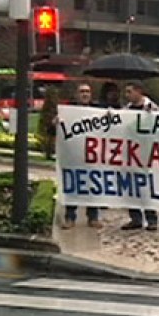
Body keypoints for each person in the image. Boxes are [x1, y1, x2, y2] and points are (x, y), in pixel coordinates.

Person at [121, 81, 159, 231]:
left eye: (129, 92)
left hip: (146, 152)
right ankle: (135, 218)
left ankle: (151, 219)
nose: (127, 95)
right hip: (130, 153)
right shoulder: (127, 109)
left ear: (138, 92)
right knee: (130, 186)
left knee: (145, 187)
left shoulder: (152, 108)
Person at [61, 83, 101, 229]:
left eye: (87, 92)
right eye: (82, 91)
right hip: (73, 155)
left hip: (92, 156)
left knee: (92, 187)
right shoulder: (68, 111)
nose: (85, 94)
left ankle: (93, 217)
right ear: (77, 94)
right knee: (72, 187)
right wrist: (55, 123)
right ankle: (70, 217)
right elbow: (54, 131)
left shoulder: (97, 110)